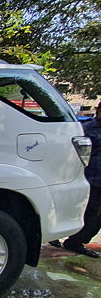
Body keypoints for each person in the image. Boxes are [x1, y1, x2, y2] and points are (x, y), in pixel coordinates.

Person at [50, 102, 101, 257]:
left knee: (95, 217)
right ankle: (54, 235)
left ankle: (76, 241)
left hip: (98, 181)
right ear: (98, 111)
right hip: (85, 177)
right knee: (71, 208)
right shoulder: (84, 129)